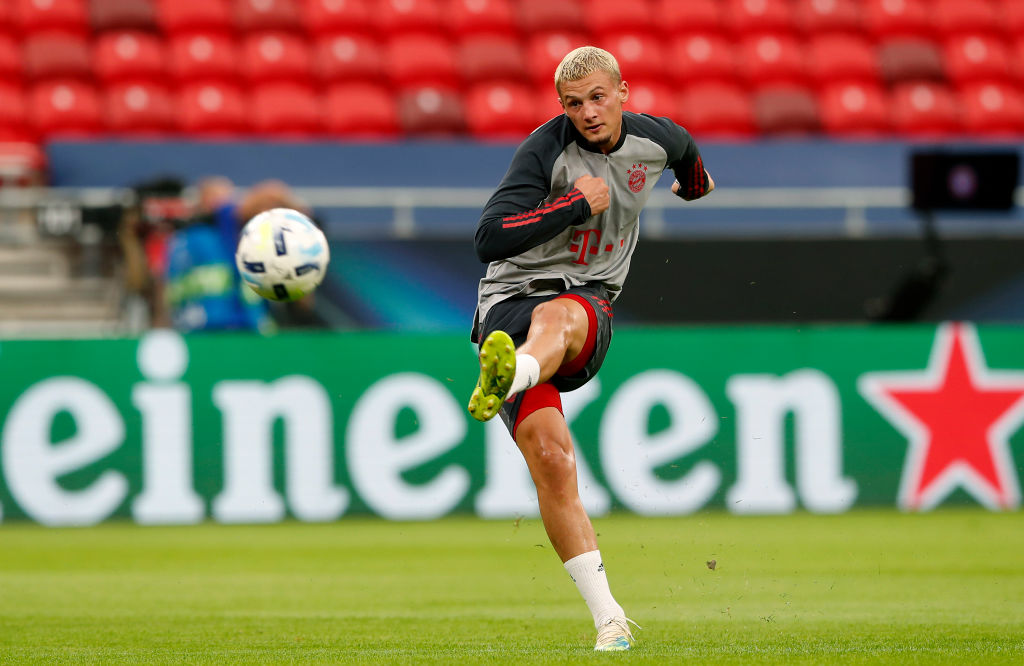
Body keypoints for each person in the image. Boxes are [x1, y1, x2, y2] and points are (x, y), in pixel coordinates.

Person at [467, 46, 715, 652]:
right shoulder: (545, 148)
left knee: (559, 314)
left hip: (585, 301)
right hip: (506, 306)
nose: (588, 112)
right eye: (574, 104)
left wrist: (693, 186)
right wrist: (573, 204)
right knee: (552, 463)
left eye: (598, 98)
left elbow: (689, 162)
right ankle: (610, 619)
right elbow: (489, 238)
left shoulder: (657, 140)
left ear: (624, 92)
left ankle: (516, 374)